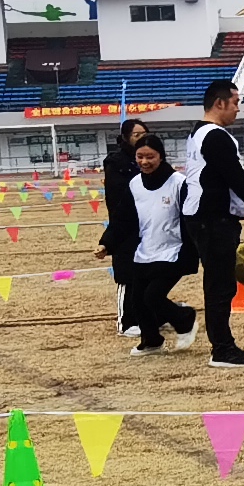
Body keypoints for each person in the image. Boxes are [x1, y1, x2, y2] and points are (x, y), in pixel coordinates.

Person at [181, 78, 244, 367]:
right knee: (220, 285)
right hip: (212, 218)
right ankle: (222, 349)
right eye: (236, 102)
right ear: (219, 103)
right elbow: (236, 177)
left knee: (220, 283)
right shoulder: (216, 136)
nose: (238, 108)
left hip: (203, 216)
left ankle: (224, 345)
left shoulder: (198, 133)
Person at [110, 134, 198, 352]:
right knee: (138, 300)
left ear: (161, 156)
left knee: (153, 296)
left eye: (150, 157)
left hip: (173, 250)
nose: (144, 162)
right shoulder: (134, 184)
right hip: (145, 250)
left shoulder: (179, 183)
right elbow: (124, 218)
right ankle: (151, 341)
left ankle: (184, 318)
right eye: (140, 157)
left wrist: (193, 250)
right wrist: (107, 243)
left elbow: (191, 218)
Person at [98, 115, 151, 340]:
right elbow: (117, 200)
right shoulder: (116, 163)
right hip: (126, 225)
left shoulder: (151, 159)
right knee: (127, 275)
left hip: (149, 225)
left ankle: (149, 317)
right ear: (126, 137)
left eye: (144, 134)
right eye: (136, 135)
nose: (141, 138)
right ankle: (126, 321)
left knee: (149, 274)